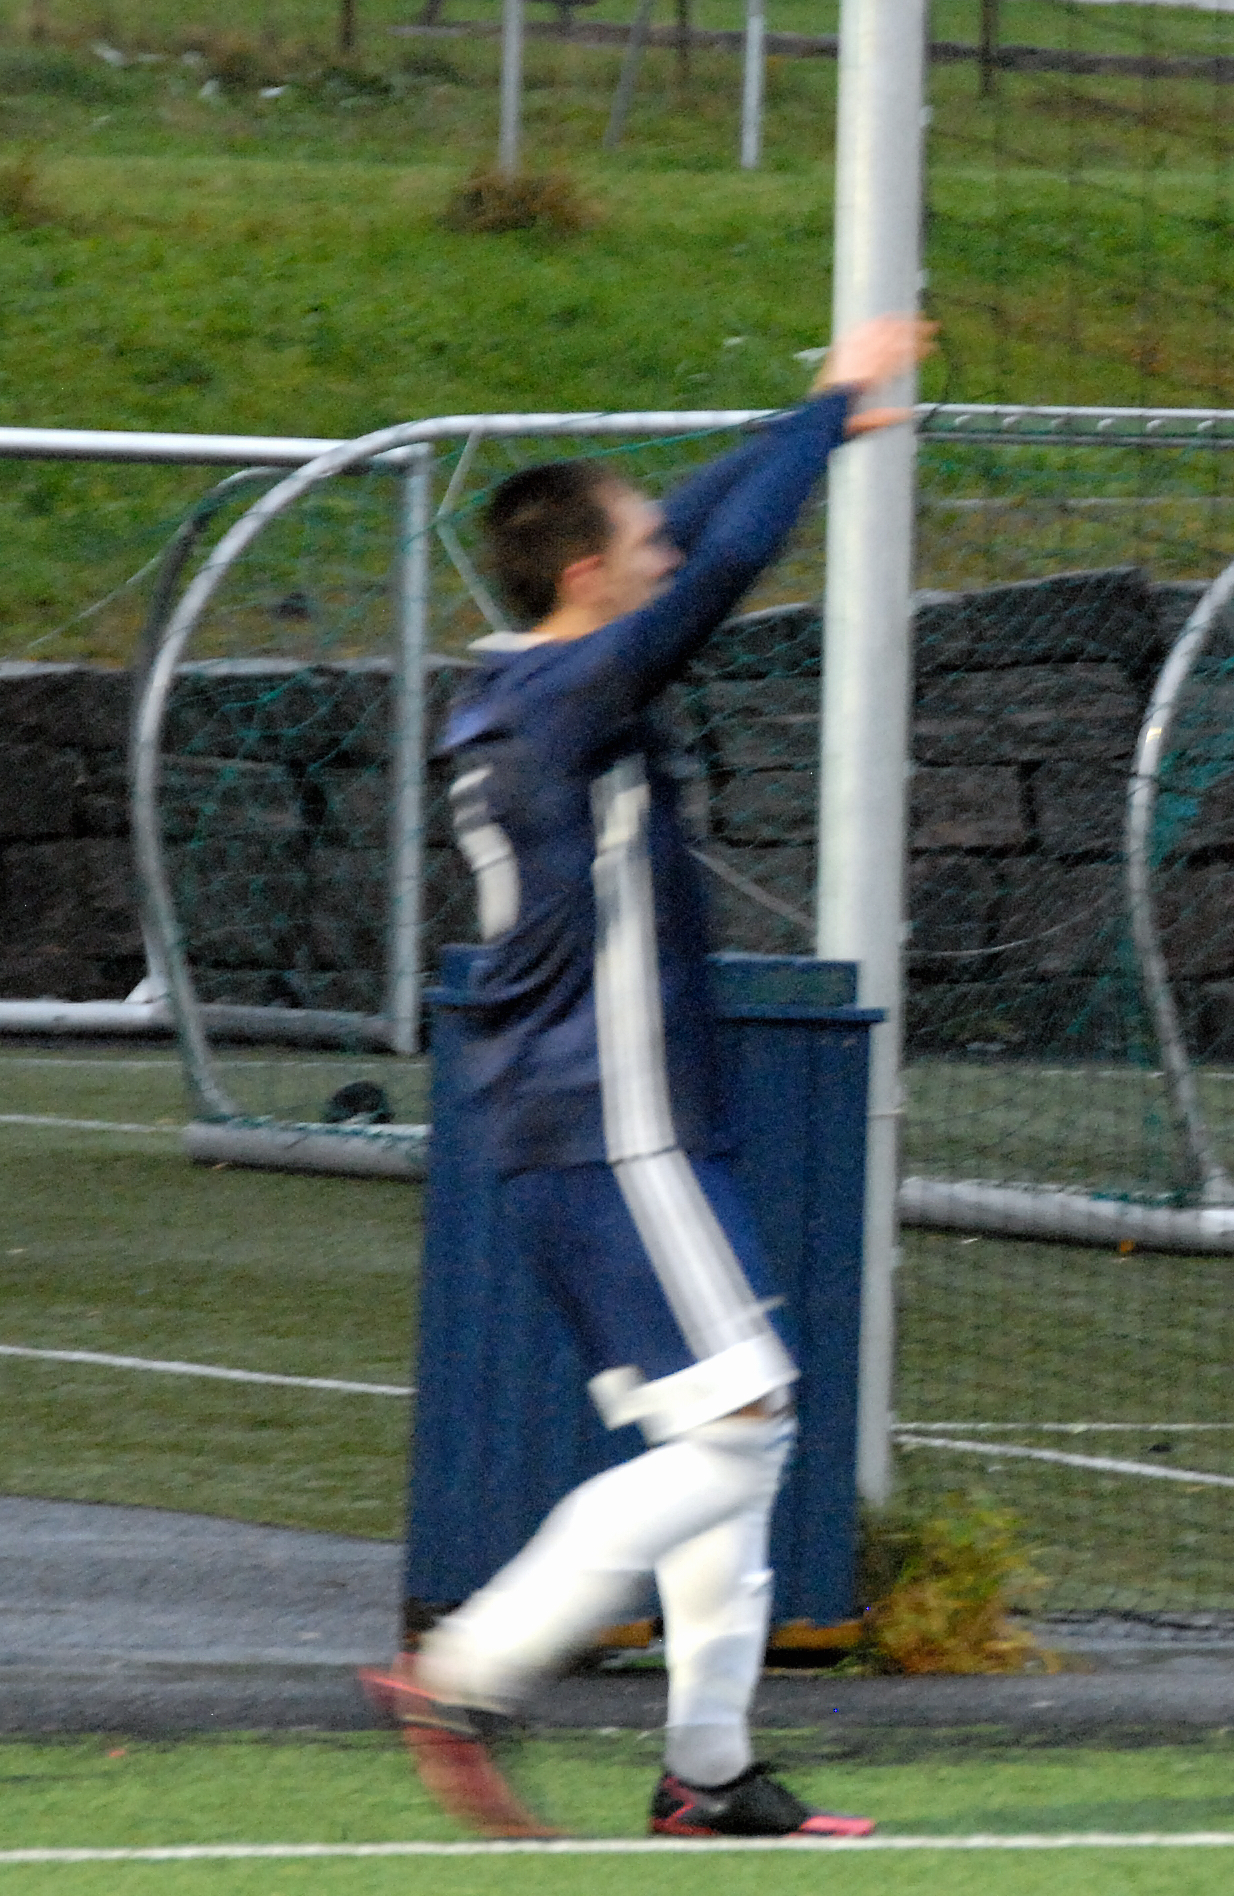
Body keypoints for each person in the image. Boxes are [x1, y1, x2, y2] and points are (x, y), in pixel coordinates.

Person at [360, 312, 933, 1840]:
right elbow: (725, 566)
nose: (663, 550)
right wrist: (821, 412)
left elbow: (683, 531)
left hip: (572, 1121)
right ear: (580, 581)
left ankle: (710, 1772)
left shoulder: (517, 683)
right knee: (747, 1427)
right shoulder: (572, 695)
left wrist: (823, 418)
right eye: (635, 543)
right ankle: (470, 1669)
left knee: (722, 1451)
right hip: (616, 1125)